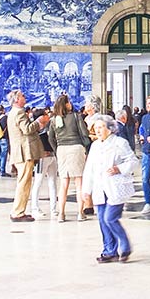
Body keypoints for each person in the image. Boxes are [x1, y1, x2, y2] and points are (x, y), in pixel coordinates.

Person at [82, 114, 138, 263]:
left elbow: (133, 161)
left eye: (101, 127)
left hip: (115, 187)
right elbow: (89, 169)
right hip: (100, 188)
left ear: (110, 128)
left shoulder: (119, 143)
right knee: (102, 220)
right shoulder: (95, 146)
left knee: (110, 218)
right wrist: (86, 190)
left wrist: (119, 168)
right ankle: (109, 251)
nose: (98, 130)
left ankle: (125, 246)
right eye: (96, 127)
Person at [49, 94, 89, 222]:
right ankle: (80, 213)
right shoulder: (76, 116)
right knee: (79, 182)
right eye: (69, 102)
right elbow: (84, 133)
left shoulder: (54, 119)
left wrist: (57, 150)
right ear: (66, 104)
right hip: (76, 148)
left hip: (62, 150)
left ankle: (61, 213)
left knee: (64, 184)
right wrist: (87, 147)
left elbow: (51, 138)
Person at [6, 90, 42, 223]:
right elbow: (26, 129)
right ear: (16, 100)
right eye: (22, 96)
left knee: (23, 182)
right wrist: (38, 122)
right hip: (24, 152)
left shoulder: (12, 112)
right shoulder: (19, 112)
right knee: (24, 183)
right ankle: (18, 212)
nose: (24, 97)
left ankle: (19, 210)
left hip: (19, 151)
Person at [26, 108, 55, 218]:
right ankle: (35, 207)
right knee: (38, 182)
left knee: (53, 182)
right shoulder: (36, 128)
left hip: (52, 155)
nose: (48, 116)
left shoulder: (50, 125)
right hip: (42, 157)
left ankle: (53, 208)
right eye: (45, 115)